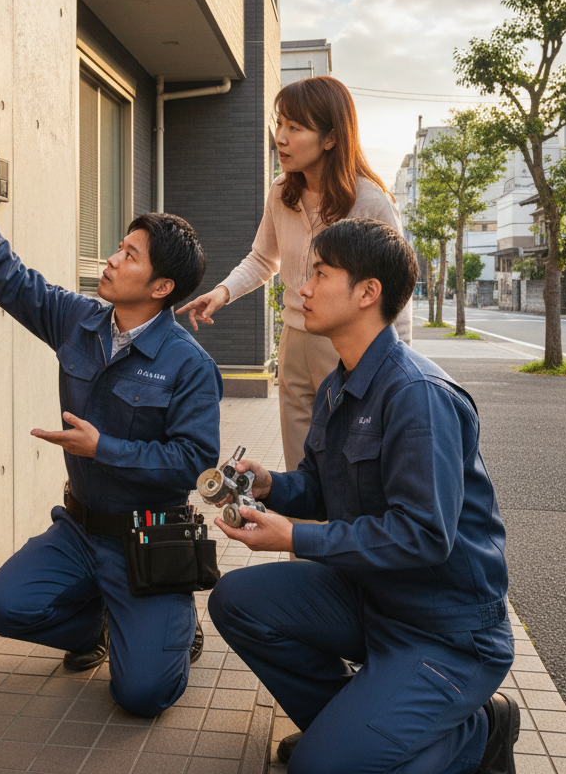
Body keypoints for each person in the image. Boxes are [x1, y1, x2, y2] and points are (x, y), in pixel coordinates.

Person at [207, 218, 518, 774]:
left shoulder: (418, 397)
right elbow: (322, 489)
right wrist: (270, 485)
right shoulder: (339, 385)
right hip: (373, 599)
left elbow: (423, 535)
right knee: (236, 600)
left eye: (319, 274)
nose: (300, 287)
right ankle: (345, 729)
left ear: (368, 292)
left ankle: (480, 734)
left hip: (446, 632)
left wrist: (294, 538)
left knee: (319, 769)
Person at [0, 151, 222, 718]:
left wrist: (105, 449)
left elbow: (195, 462)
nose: (113, 259)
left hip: (148, 540)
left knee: (143, 695)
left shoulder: (188, 364)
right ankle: (96, 626)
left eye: (129, 255)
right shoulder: (79, 320)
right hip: (79, 529)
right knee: (1, 606)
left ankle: (168, 625)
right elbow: (13, 282)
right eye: (120, 247)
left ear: (162, 285)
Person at [176, 76, 411, 473]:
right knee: (301, 463)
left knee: (350, 464)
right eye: (280, 124)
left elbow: (397, 294)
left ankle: (339, 537)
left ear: (331, 138)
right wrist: (221, 292)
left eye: (295, 127)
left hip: (349, 348)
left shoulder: (370, 201)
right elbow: (262, 259)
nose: (280, 138)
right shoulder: (280, 192)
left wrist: (403, 368)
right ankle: (300, 536)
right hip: (295, 342)